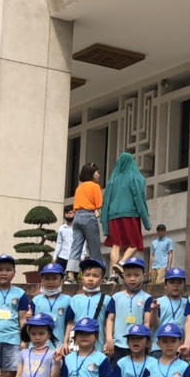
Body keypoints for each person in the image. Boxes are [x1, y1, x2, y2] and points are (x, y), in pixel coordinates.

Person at [101, 152, 150, 280]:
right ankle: (122, 263)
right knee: (134, 243)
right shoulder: (137, 177)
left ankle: (113, 275)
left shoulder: (112, 179)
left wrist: (105, 219)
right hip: (130, 214)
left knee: (116, 244)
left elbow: (106, 199)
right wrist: (145, 219)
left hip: (113, 215)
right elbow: (140, 197)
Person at [104, 257, 150, 359]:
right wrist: (109, 339)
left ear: (143, 276)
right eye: (128, 275)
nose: (132, 279)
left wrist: (146, 340)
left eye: (136, 275)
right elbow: (110, 319)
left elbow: (147, 322)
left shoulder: (147, 298)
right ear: (123, 276)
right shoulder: (116, 297)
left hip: (138, 344)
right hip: (117, 344)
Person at [68, 259, 111, 353]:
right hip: (77, 342)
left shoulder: (107, 299)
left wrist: (109, 340)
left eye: (95, 276)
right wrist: (65, 342)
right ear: (82, 278)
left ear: (102, 280)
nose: (91, 279)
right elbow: (70, 322)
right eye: (87, 275)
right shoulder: (75, 299)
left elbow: (108, 322)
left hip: (98, 344)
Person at [147, 268, 190, 357]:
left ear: (184, 285)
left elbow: (189, 324)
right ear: (165, 285)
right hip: (159, 347)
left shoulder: (188, 302)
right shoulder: (158, 302)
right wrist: (154, 311)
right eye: (172, 282)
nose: (176, 285)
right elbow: (153, 324)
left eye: (179, 282)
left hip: (179, 347)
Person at [69, 163, 104, 267]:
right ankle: (97, 270)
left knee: (75, 247)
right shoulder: (95, 186)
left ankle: (70, 272)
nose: (99, 175)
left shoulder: (79, 187)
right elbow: (99, 204)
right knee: (94, 246)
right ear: (91, 174)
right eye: (97, 172)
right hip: (88, 216)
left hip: (77, 217)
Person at [30, 263, 72, 349]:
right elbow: (29, 324)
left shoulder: (68, 300)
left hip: (59, 346)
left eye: (55, 278)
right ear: (42, 280)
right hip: (37, 347)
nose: (50, 282)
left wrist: (65, 342)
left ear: (61, 280)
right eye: (47, 278)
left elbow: (70, 323)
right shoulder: (36, 300)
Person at [53, 208, 85, 280]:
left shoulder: (79, 228)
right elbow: (59, 243)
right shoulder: (61, 228)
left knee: (73, 278)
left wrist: (82, 255)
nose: (68, 215)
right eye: (66, 213)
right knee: (57, 276)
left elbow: (82, 242)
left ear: (74, 214)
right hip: (62, 256)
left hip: (74, 257)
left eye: (70, 213)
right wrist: (55, 256)